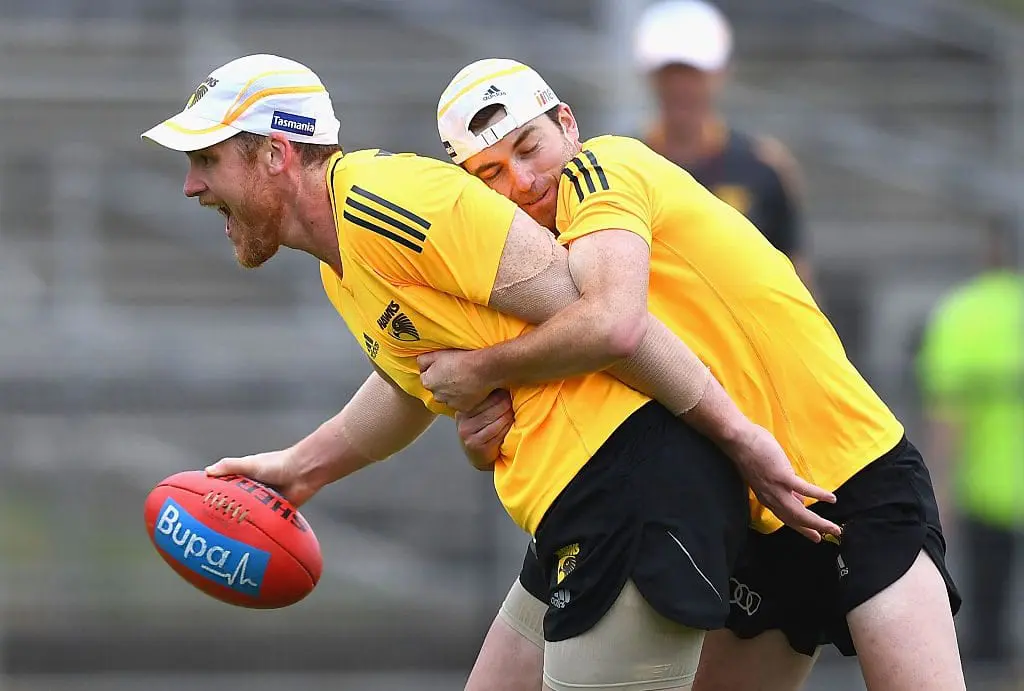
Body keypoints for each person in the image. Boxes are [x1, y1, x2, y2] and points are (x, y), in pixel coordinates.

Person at [140, 54, 838, 691]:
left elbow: (612, 322)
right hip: (578, 500)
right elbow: (410, 384)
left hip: (629, 488)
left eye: (208, 159)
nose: (192, 185)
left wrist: (738, 436)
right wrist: (303, 470)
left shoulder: (390, 204)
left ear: (276, 154)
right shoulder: (343, 256)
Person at [433, 58, 965, 691]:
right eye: (490, 173)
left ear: (568, 125)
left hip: (852, 478)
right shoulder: (526, 258)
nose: (521, 182)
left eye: (529, 148)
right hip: (742, 511)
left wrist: (476, 370)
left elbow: (613, 326)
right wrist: (485, 430)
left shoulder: (602, 167)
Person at [632, 0, 814, 290]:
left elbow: (795, 278)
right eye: (671, 73)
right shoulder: (623, 166)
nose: (681, 86)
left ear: (722, 73)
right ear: (651, 77)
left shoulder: (763, 168)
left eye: (694, 74)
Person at [917, 219, 1024, 668]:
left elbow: (948, 414)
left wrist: (939, 487)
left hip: (986, 491)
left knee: (987, 630)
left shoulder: (962, 315)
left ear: (986, 253)